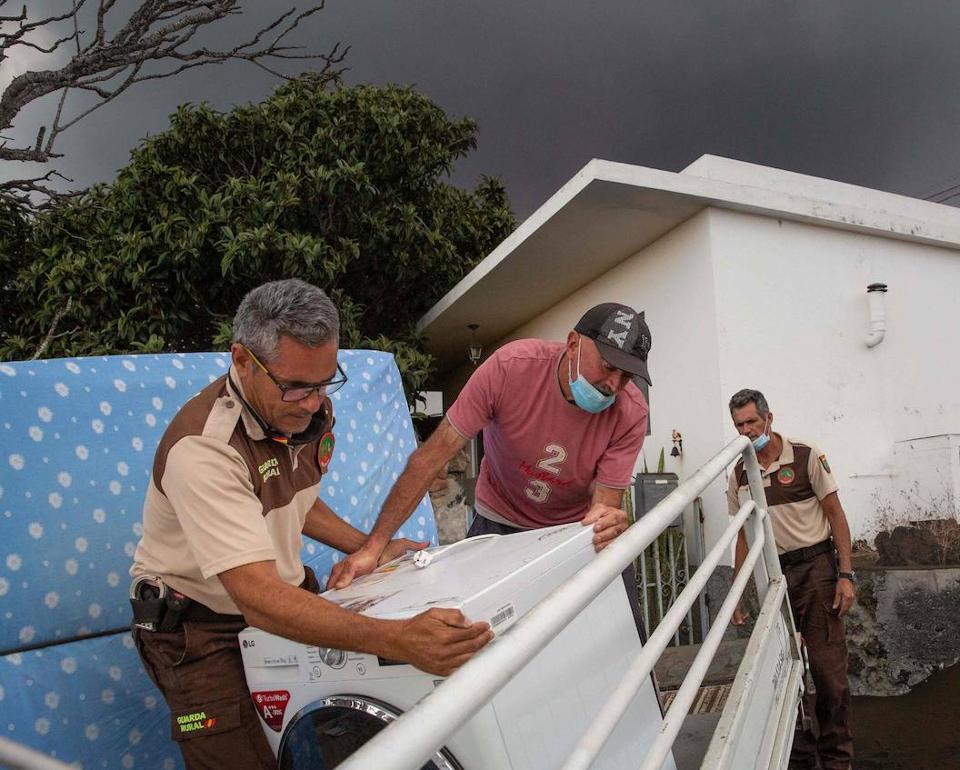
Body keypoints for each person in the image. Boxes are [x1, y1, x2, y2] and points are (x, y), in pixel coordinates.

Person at [129, 279, 492, 770]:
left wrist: (369, 548)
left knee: (318, 740)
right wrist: (397, 639)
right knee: (239, 755)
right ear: (241, 359)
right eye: (296, 386)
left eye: (324, 383)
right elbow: (258, 600)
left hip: (278, 596)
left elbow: (298, 501)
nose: (312, 402)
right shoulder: (204, 451)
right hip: (199, 629)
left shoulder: (306, 409)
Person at [329, 303, 652, 607]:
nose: (614, 384)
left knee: (623, 629)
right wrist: (372, 548)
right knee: (480, 633)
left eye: (626, 376)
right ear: (572, 344)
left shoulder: (632, 412)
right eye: (608, 367)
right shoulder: (510, 368)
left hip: (572, 530)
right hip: (497, 520)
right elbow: (431, 458)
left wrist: (608, 522)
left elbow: (604, 505)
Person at [726, 388, 855, 770]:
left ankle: (837, 761)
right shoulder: (738, 472)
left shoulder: (805, 455)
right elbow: (744, 534)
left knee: (828, 674)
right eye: (739, 425)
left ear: (769, 418)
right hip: (775, 578)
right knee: (783, 674)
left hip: (816, 570)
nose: (747, 430)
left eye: (752, 421)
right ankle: (799, 759)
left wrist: (845, 575)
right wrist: (737, 592)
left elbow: (836, 515)